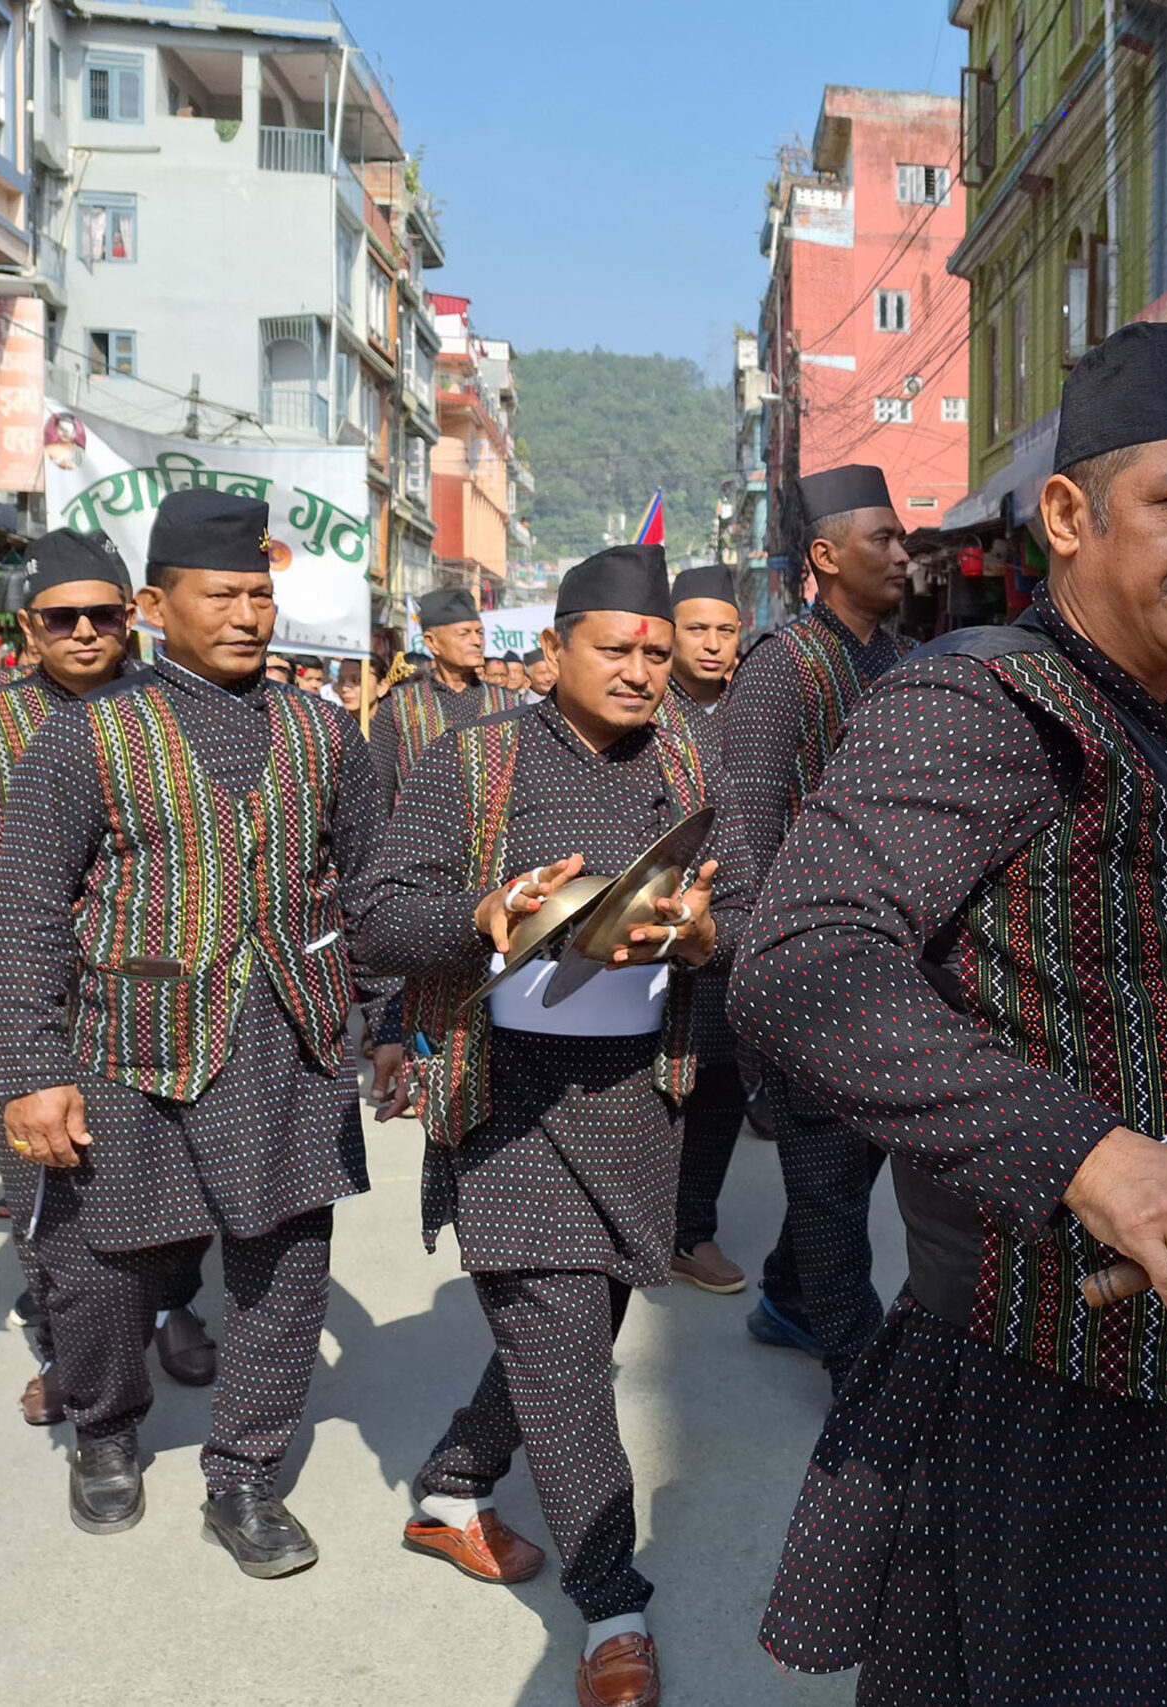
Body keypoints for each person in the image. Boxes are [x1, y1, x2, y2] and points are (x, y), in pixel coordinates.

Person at [735, 318, 1167, 1705]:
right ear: (1067, 513)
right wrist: (1098, 1160)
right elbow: (802, 959)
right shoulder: (976, 702)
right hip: (1044, 1359)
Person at [356, 544, 750, 1707]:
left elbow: (751, 894)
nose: (640, 670)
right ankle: (611, 1610)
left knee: (574, 1331)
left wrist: (701, 938)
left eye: (655, 652)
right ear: (554, 652)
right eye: (615, 649)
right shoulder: (470, 767)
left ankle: (448, 1493)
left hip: (640, 1096)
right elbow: (377, 916)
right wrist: (483, 915)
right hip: (506, 1106)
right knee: (570, 1367)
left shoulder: (689, 757)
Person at [0, 489, 384, 1573]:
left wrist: (391, 1026)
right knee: (103, 1271)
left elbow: (378, 884)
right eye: (223, 596)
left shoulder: (321, 727)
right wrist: (31, 1069)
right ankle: (104, 1428)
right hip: (134, 1048)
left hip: (292, 1046)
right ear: (158, 605)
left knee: (285, 1269)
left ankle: (244, 1476)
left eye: (261, 593)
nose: (249, 614)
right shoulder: (85, 737)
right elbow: (24, 911)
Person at [0, 530, 215, 1426]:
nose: (84, 632)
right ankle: (73, 1346)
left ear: (134, 618)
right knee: (48, 1184)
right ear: (29, 627)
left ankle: (167, 1304)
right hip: (35, 991)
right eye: (61, 617)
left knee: (182, 1175)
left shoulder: (180, 711)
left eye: (103, 614)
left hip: (165, 991)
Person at [721, 461, 906, 1387]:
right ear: (827, 557)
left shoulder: (902, 662)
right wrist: (764, 988)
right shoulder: (779, 669)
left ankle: (790, 1296)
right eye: (885, 538)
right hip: (808, 967)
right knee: (831, 1175)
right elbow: (744, 827)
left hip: (893, 961)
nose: (904, 554)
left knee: (856, 1161)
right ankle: (854, 1359)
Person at [659, 565, 751, 1297]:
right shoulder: (647, 707)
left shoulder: (756, 707)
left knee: (721, 1084)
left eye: (726, 630)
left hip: (738, 923)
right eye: (699, 628)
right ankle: (644, 1223)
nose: (714, 644)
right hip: (658, 926)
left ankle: (691, 1229)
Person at [372, 590, 519, 803]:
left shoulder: (509, 704)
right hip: (421, 832)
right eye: (464, 633)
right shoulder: (398, 706)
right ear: (432, 642)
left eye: (479, 632)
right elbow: (379, 793)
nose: (476, 641)